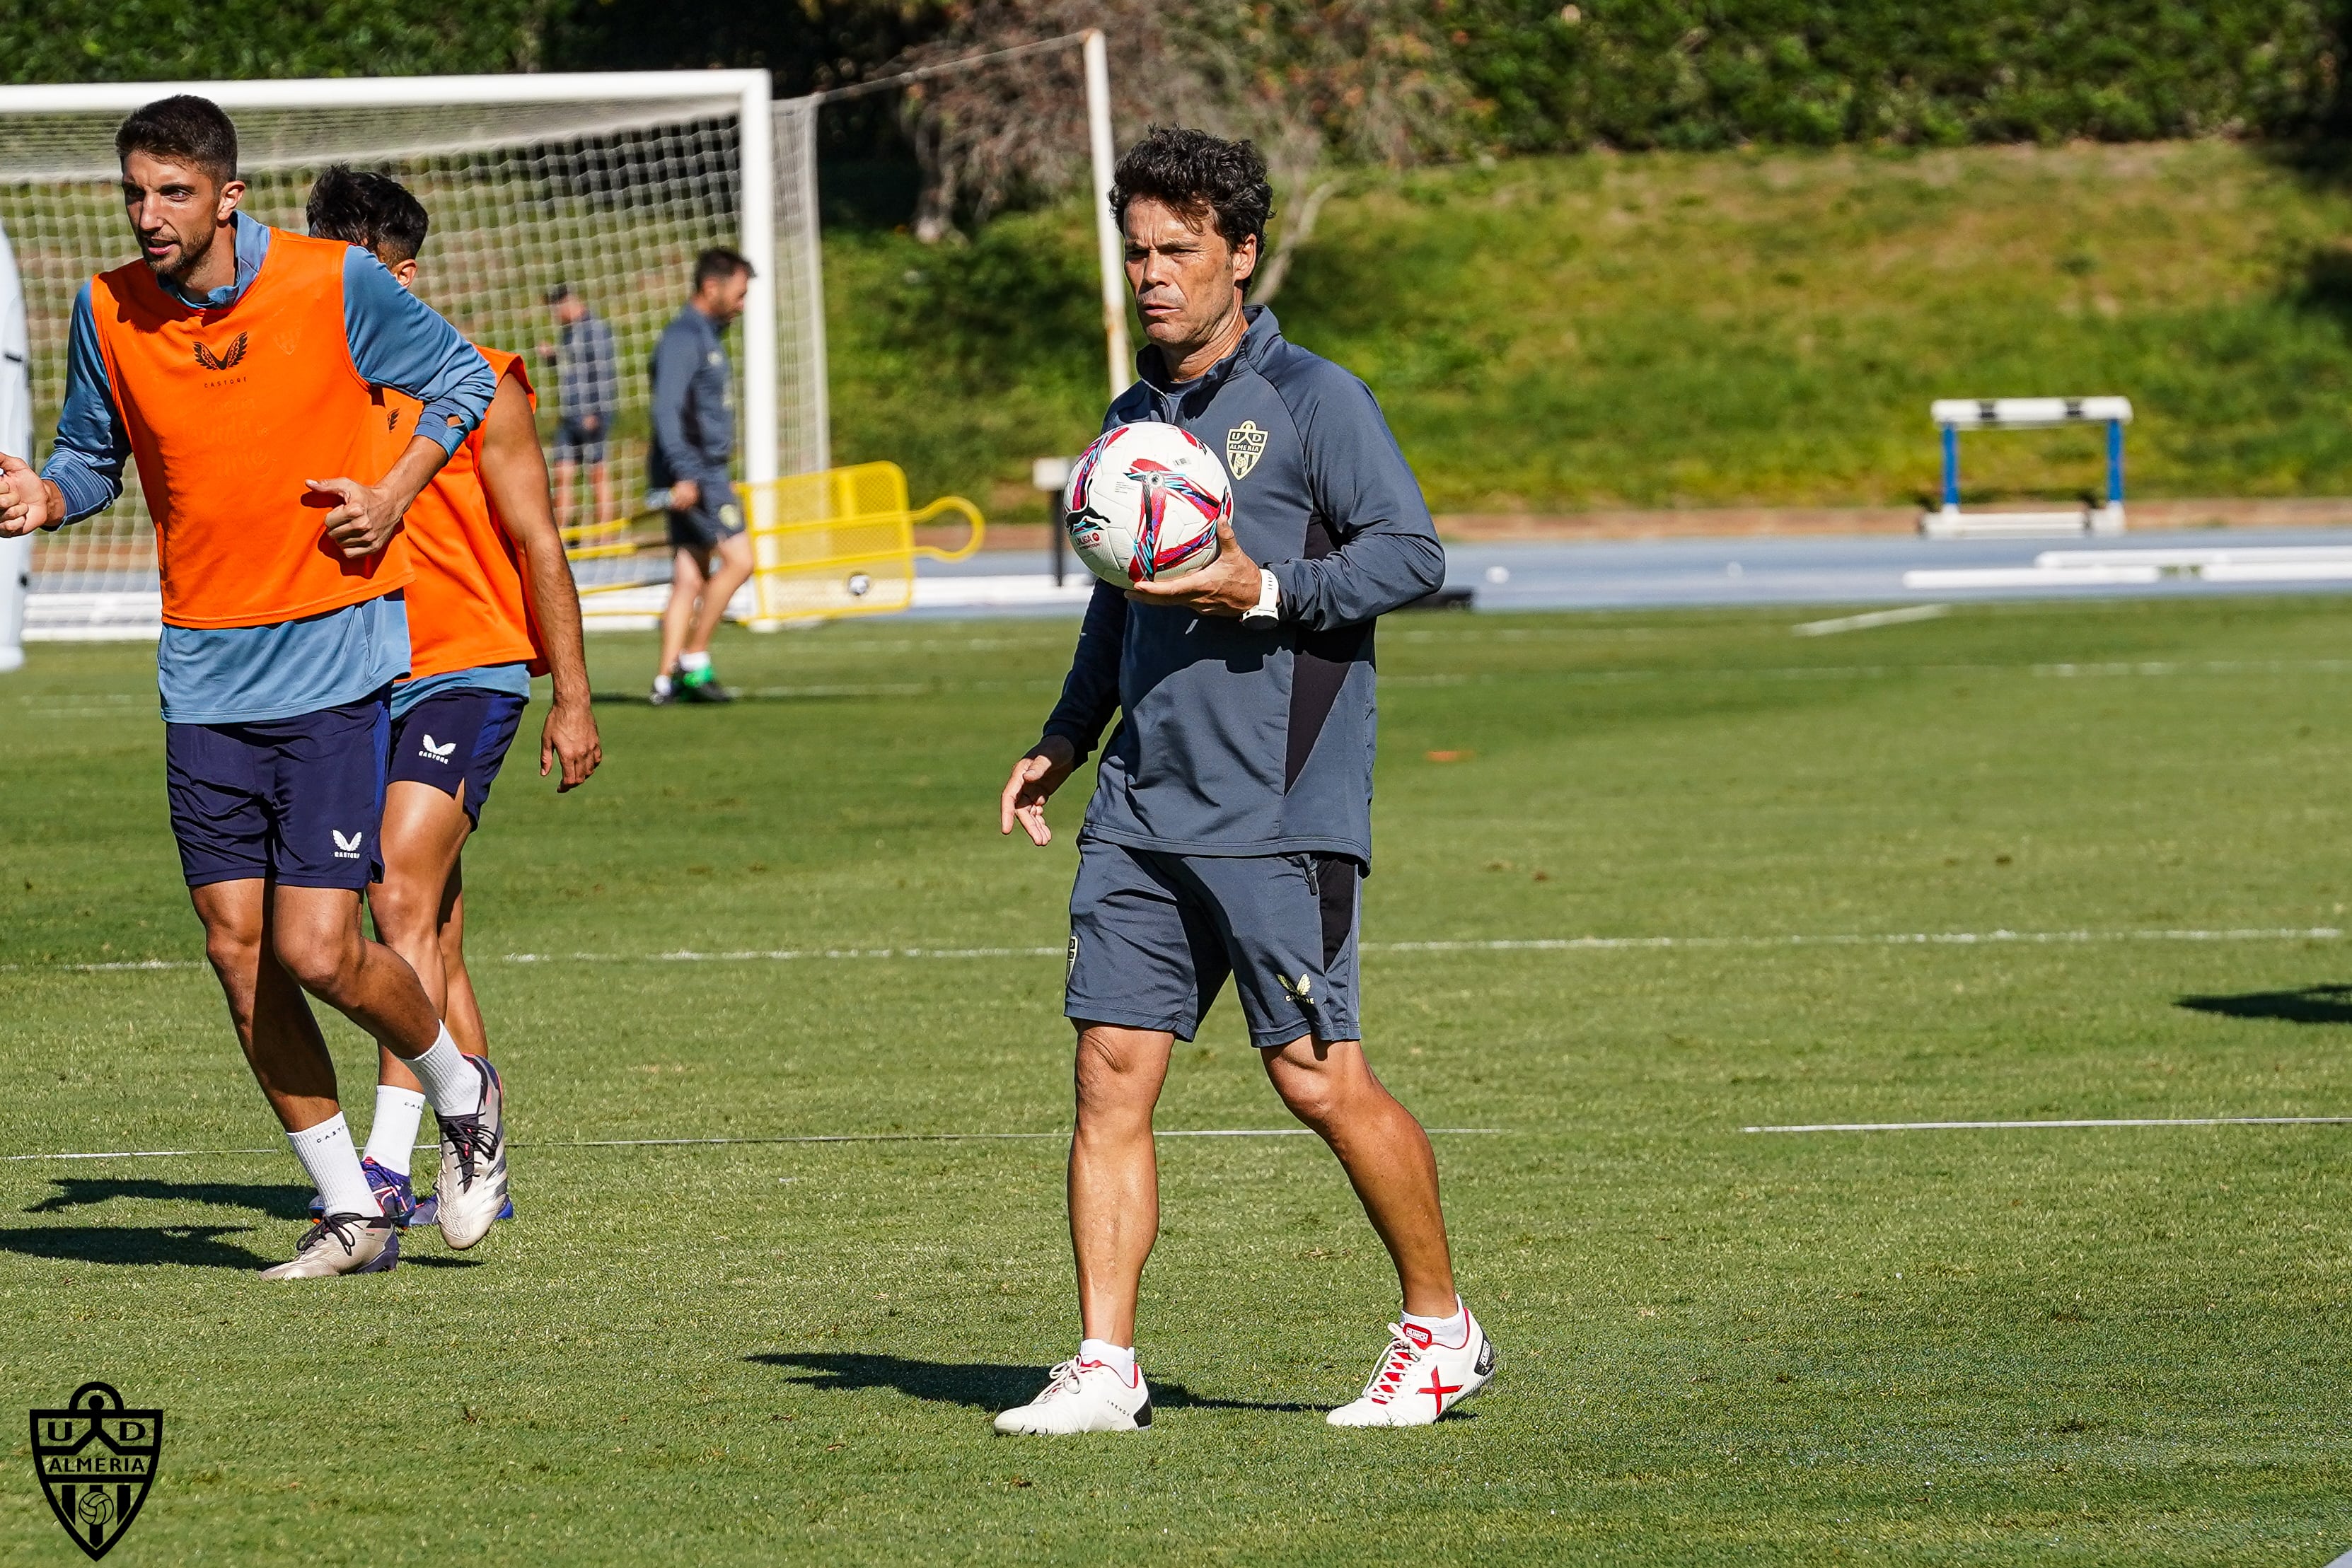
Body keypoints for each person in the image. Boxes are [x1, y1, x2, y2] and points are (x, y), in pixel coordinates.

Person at [992, 127, 1490, 1433]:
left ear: (1241, 254)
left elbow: (1414, 554)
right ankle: (1106, 1364)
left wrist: (1272, 590)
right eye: (1138, 251)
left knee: (1318, 1076)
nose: (1153, 275)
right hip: (1144, 804)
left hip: (1277, 807)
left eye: (1179, 250)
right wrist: (1065, 735)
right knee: (1109, 1069)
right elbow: (1119, 612)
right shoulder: (1130, 418)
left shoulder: (1319, 400)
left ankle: (1441, 1327)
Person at [0, 95, 510, 1278]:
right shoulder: (108, 309)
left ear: (230, 195)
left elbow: (460, 382)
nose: (149, 214)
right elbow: (91, 457)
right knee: (240, 954)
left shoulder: (336, 282)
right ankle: (351, 1212)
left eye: (172, 192)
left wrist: (394, 490)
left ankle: (462, 1092)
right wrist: (45, 498)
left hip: (332, 659)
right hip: (202, 674)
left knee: (322, 949)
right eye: (133, 192)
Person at [304, 166, 602, 1226]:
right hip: (349, 679)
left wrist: (572, 694)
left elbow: (537, 540)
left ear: (403, 273)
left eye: (357, 275)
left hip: (464, 668)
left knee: (394, 896)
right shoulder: (314, 387)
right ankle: (481, 1130)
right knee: (433, 928)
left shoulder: (481, 377)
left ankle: (385, 1170)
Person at [647, 247, 753, 705]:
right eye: (739, 293)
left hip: (695, 472)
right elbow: (666, 410)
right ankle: (694, 661)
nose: (742, 304)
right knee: (740, 560)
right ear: (712, 288)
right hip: (696, 474)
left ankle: (665, 679)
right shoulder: (684, 337)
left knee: (690, 577)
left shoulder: (705, 334)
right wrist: (686, 473)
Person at [543, 282, 616, 533]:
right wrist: (553, 358)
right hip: (571, 414)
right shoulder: (568, 332)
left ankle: (605, 537)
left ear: (569, 301)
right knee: (562, 472)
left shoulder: (594, 330)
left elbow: (603, 373)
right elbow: (572, 370)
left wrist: (595, 412)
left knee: (597, 473)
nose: (555, 315)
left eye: (556, 309)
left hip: (593, 413)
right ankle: (562, 534)